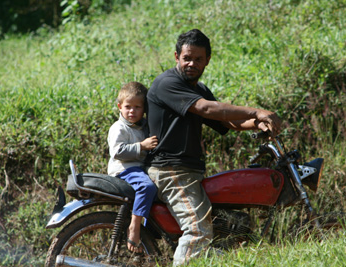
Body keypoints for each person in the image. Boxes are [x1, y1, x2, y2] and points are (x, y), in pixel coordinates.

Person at [146, 29, 282, 266]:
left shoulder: (198, 90)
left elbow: (226, 121)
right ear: (176, 56)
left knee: (226, 224)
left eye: (198, 59)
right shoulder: (167, 83)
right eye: (187, 58)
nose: (192, 64)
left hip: (189, 172)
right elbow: (208, 109)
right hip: (171, 171)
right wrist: (255, 110)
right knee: (198, 231)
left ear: (207, 60)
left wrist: (257, 123)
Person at [107, 81, 158, 253]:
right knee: (147, 186)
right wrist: (141, 146)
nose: (132, 111)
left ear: (144, 108)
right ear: (119, 106)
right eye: (128, 106)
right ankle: (135, 227)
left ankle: (147, 231)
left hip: (138, 170)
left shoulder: (143, 126)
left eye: (137, 107)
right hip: (124, 169)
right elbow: (117, 151)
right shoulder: (118, 128)